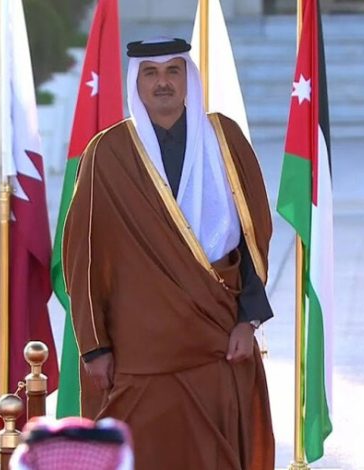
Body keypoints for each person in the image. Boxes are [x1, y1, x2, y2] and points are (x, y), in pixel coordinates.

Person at [63, 38, 275, 469]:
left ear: (188, 78)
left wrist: (249, 320)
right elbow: (83, 255)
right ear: (136, 82)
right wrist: (95, 347)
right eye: (151, 73)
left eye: (173, 71)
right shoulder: (107, 152)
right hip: (138, 348)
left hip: (218, 338)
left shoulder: (225, 138)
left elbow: (254, 235)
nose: (163, 82)